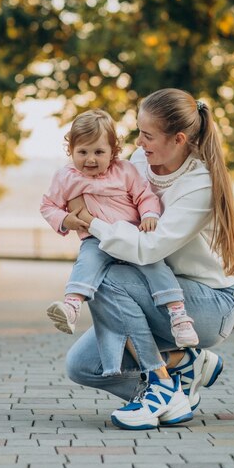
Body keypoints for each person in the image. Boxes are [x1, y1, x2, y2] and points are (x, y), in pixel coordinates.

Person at [65, 89, 234, 430]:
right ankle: (182, 370)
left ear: (178, 139)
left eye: (147, 135)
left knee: (108, 278)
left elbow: (149, 248)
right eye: (138, 132)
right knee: (82, 365)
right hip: (154, 289)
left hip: (208, 304)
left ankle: (160, 383)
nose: (139, 141)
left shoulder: (198, 185)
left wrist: (92, 221)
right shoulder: (138, 162)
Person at [40, 109, 199, 348]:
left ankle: (178, 315)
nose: (90, 159)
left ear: (113, 152)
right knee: (87, 262)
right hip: (96, 238)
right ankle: (72, 305)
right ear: (70, 150)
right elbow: (48, 205)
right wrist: (65, 220)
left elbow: (144, 196)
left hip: (133, 236)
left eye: (99, 152)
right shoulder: (66, 177)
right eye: (82, 152)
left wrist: (149, 215)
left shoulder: (125, 171)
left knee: (155, 266)